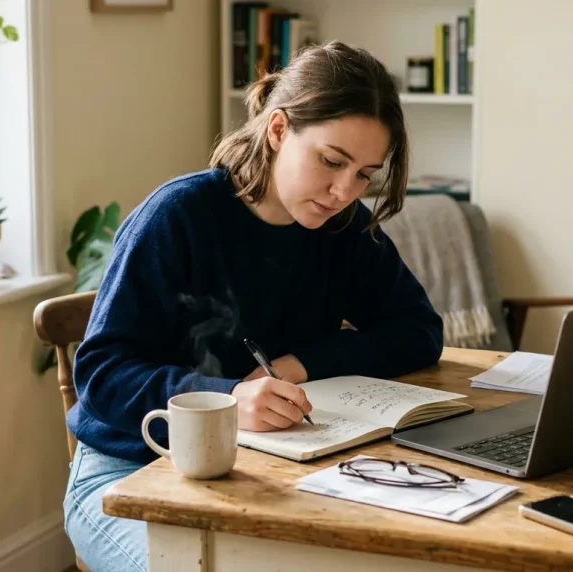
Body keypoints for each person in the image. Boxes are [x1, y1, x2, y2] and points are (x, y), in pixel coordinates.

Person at [62, 40, 444, 572]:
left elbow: (419, 330)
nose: (343, 191)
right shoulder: (178, 216)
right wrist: (227, 400)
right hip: (127, 470)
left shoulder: (344, 228)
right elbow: (102, 376)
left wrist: (304, 365)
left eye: (364, 174)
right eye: (332, 161)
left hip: (265, 469)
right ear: (279, 129)